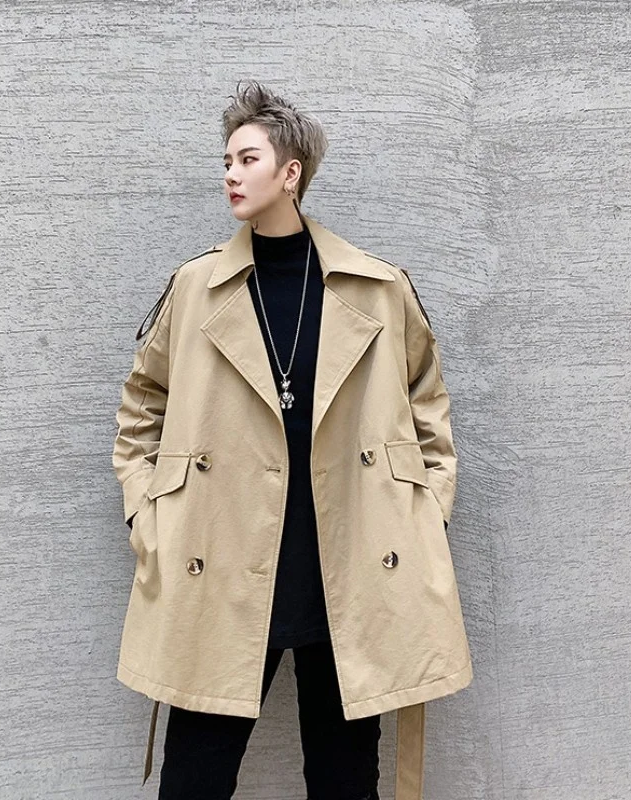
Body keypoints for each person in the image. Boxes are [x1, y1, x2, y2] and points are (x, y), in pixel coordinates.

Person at [112, 79, 473, 800]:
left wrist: (425, 513)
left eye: (247, 159)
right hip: (219, 564)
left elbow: (428, 408)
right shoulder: (195, 287)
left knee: (345, 782)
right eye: (226, 160)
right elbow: (141, 408)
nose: (230, 174)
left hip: (354, 570)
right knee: (193, 780)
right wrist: (148, 515)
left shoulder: (377, 288)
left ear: (290, 173)